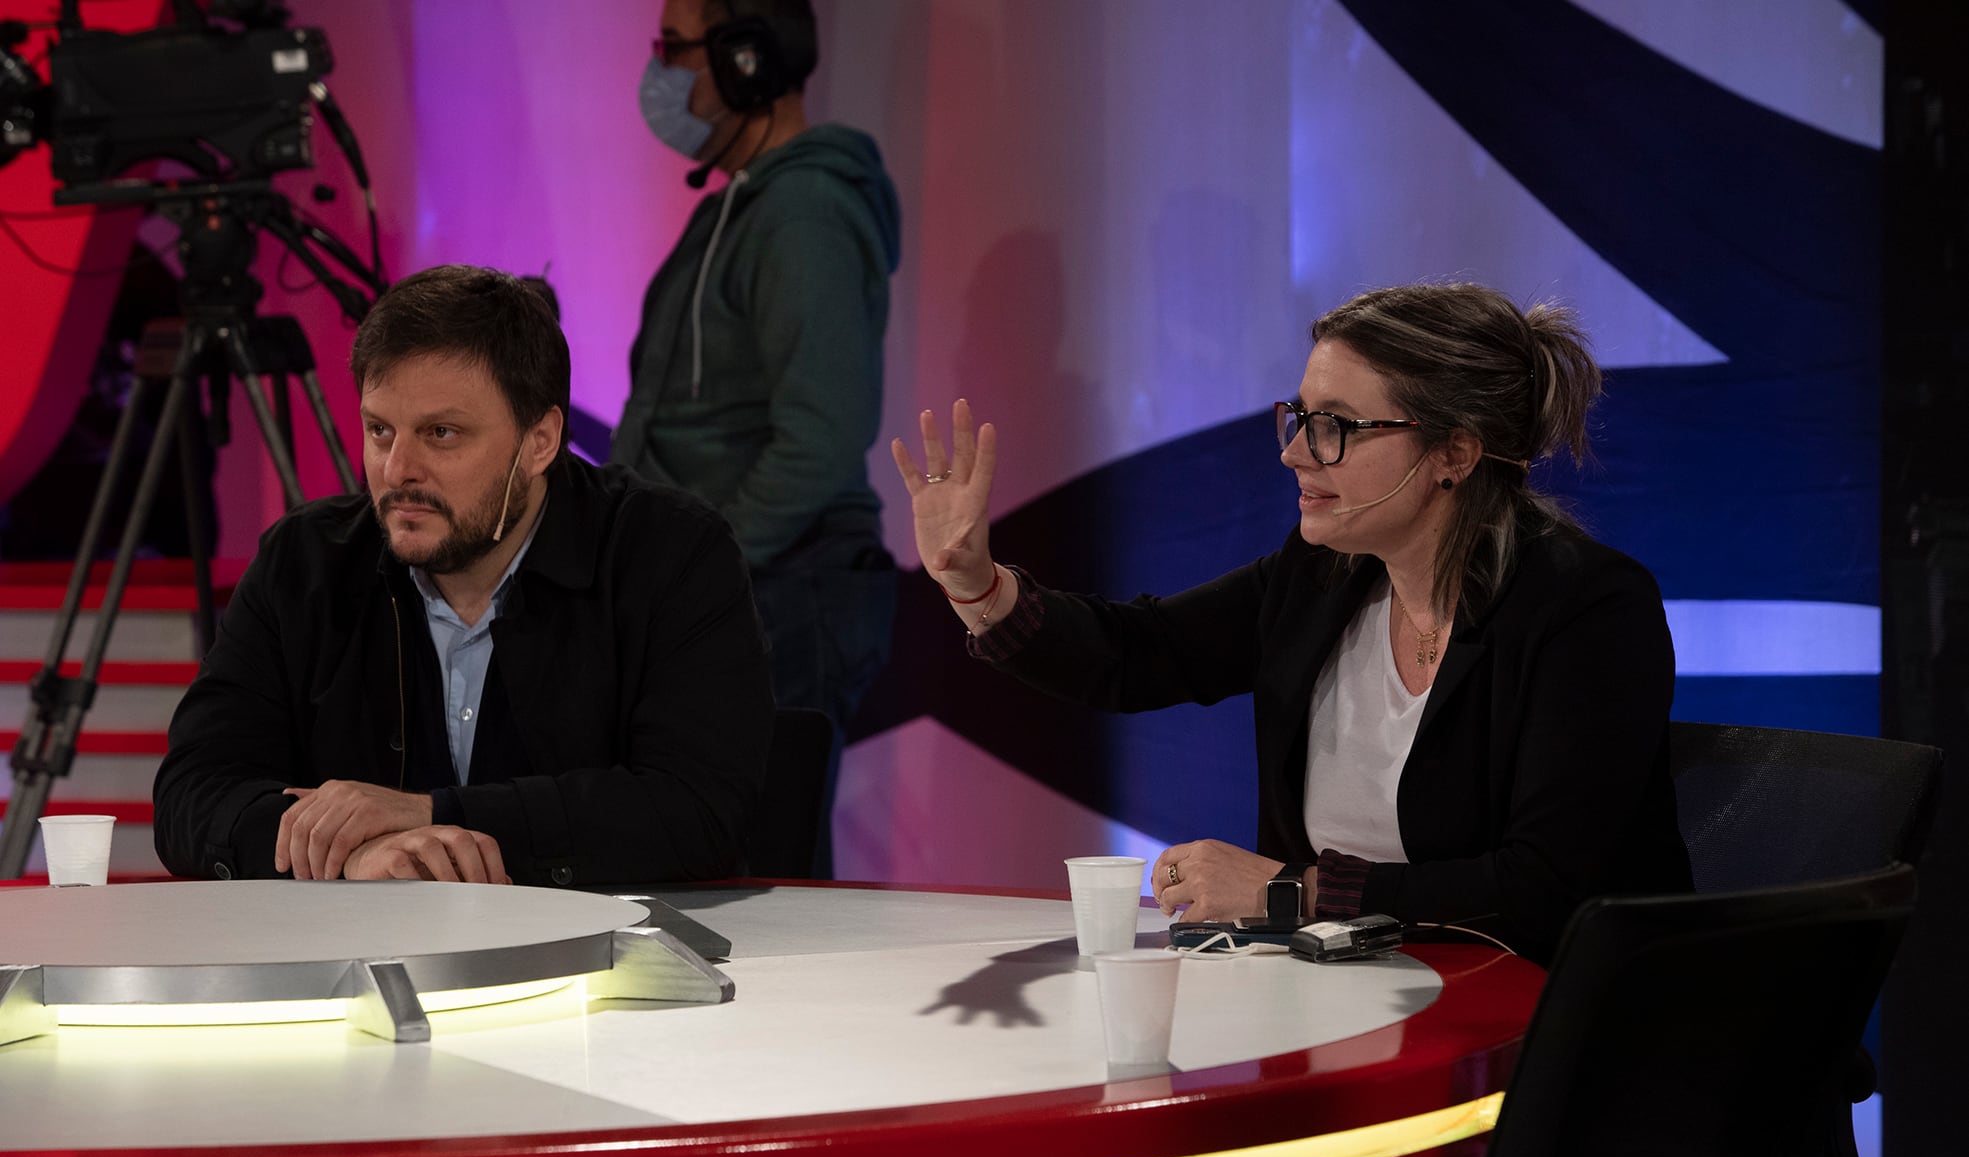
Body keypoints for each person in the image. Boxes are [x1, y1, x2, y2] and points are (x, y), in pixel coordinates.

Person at [894, 282, 1691, 965]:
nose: (1296, 454)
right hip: (1332, 999)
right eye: (1299, 417)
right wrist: (978, 585)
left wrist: (1288, 891)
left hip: (1531, 1026)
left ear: (1452, 453)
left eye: (1337, 426)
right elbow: (1137, 656)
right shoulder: (1322, 574)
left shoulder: (1585, 607)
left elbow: (1543, 890)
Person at [153, 264, 774, 887]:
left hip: (615, 965)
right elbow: (191, 794)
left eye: (441, 433)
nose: (398, 471)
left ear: (540, 441)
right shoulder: (304, 562)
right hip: (360, 966)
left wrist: (430, 816)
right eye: (380, 431)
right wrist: (356, 854)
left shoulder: (671, 552)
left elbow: (698, 811)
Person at [613, 0, 901, 799]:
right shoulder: (741, 205)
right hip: (746, 591)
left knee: (771, 876)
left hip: (780, 594)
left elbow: (823, 431)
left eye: (674, 48)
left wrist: (707, 565)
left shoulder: (803, 212)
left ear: (747, 60)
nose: (660, 71)